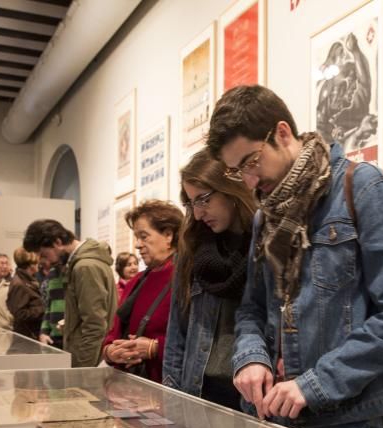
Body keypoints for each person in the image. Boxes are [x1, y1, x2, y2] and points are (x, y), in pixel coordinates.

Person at [206, 85, 383, 428]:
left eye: (251, 161)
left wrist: (314, 384)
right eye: (237, 171)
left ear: (281, 133)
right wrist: (251, 357)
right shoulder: (266, 218)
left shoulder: (369, 190)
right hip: (270, 416)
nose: (249, 181)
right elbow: (252, 310)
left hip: (343, 421)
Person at [162, 149, 257, 409]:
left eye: (203, 199)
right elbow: (177, 334)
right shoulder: (192, 250)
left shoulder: (263, 245)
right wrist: (173, 402)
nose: (198, 213)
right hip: (198, 392)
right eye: (191, 203)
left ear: (230, 189)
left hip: (250, 398)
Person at [102, 201, 182, 383]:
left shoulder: (187, 279)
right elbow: (114, 332)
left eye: (143, 236)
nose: (137, 245)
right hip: (130, 389)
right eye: (136, 237)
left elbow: (198, 343)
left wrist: (155, 347)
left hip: (166, 389)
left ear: (168, 235)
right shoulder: (137, 280)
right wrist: (110, 351)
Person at [22, 219, 117, 367]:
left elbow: (94, 325)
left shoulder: (84, 267)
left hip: (87, 361)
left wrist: (84, 372)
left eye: (43, 254)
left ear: (58, 242)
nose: (42, 260)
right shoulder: (81, 264)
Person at [7, 247, 45, 340]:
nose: (38, 265)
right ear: (31, 265)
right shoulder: (20, 284)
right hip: (27, 336)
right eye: (36, 262)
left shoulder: (26, 281)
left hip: (29, 334)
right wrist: (42, 309)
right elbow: (20, 314)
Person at [39, 256, 65, 349]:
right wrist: (43, 332)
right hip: (53, 338)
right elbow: (49, 306)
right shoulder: (52, 273)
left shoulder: (75, 271)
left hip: (70, 337)